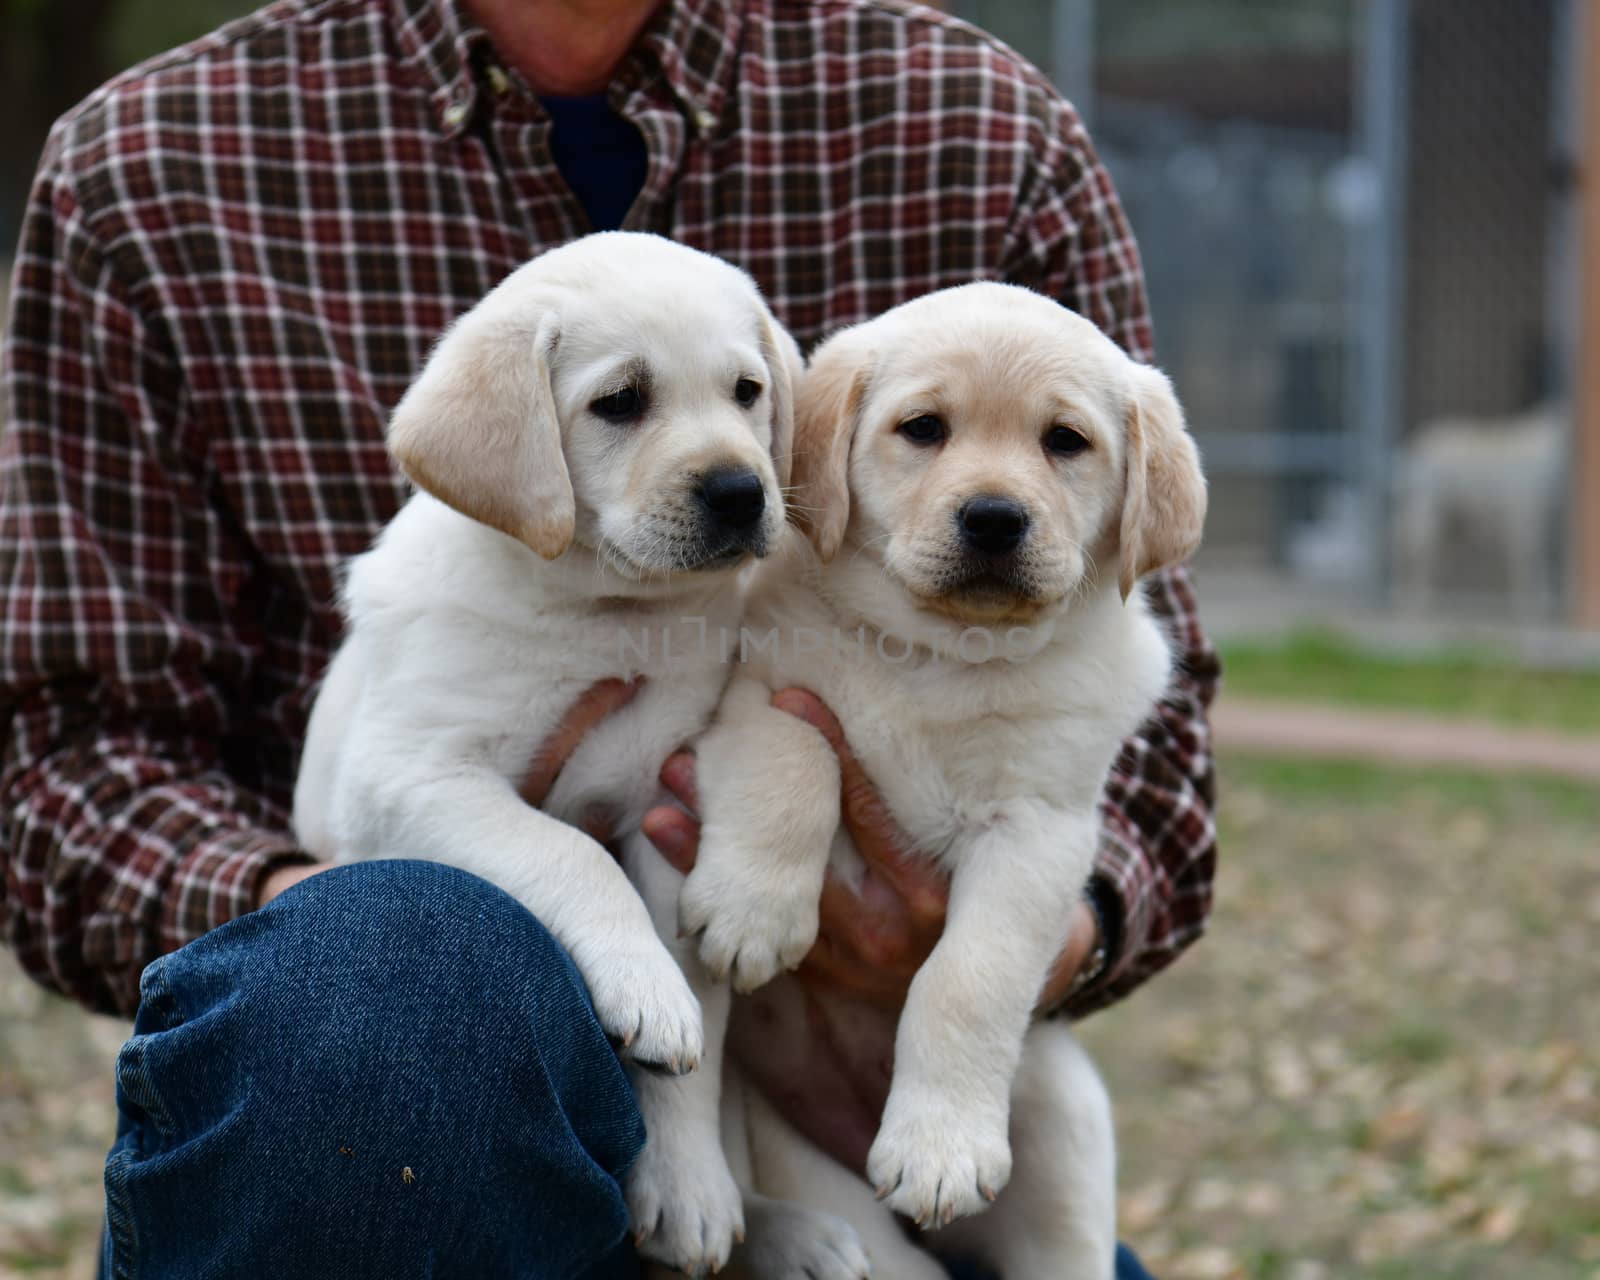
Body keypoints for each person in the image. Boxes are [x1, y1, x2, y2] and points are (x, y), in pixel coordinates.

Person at [0, 0, 1220, 1275]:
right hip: (357, 1119)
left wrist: (964, 948)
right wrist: (352, 932)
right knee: (389, 980)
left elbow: (1145, 749)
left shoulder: (976, 122)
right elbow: (66, 771)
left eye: (758, 402)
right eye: (624, 405)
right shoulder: (143, 170)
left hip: (821, 1106)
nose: (742, 467)